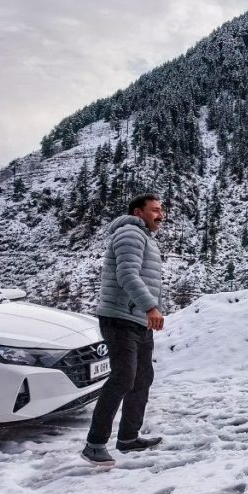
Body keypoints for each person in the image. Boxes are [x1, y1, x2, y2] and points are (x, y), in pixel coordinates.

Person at [82, 194, 166, 467]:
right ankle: (94, 444)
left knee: (142, 378)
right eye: (154, 210)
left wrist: (147, 311)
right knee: (123, 378)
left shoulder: (145, 237)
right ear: (138, 212)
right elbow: (127, 274)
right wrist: (150, 307)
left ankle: (129, 437)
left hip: (136, 319)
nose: (160, 215)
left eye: (161, 210)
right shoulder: (129, 233)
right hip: (120, 318)